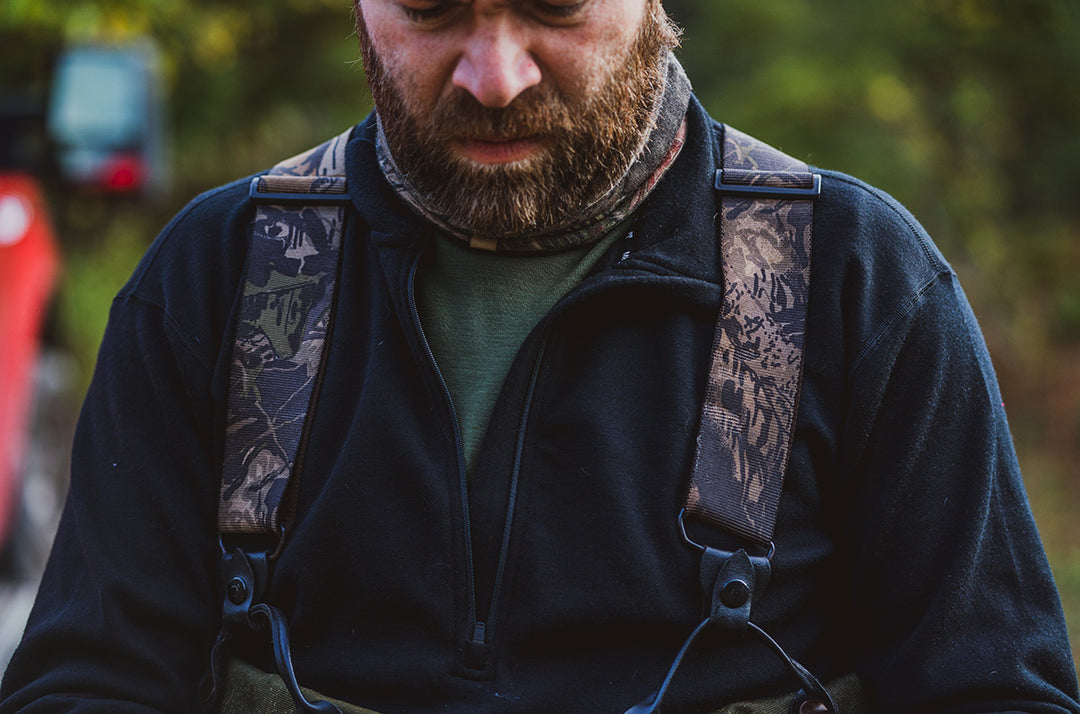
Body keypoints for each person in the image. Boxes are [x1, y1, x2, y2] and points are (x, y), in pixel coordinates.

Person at [2, 0, 1079, 711]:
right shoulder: (225, 277)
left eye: (555, 5)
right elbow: (88, 686)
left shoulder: (854, 280)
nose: (495, 76)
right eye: (431, 8)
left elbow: (994, 693)